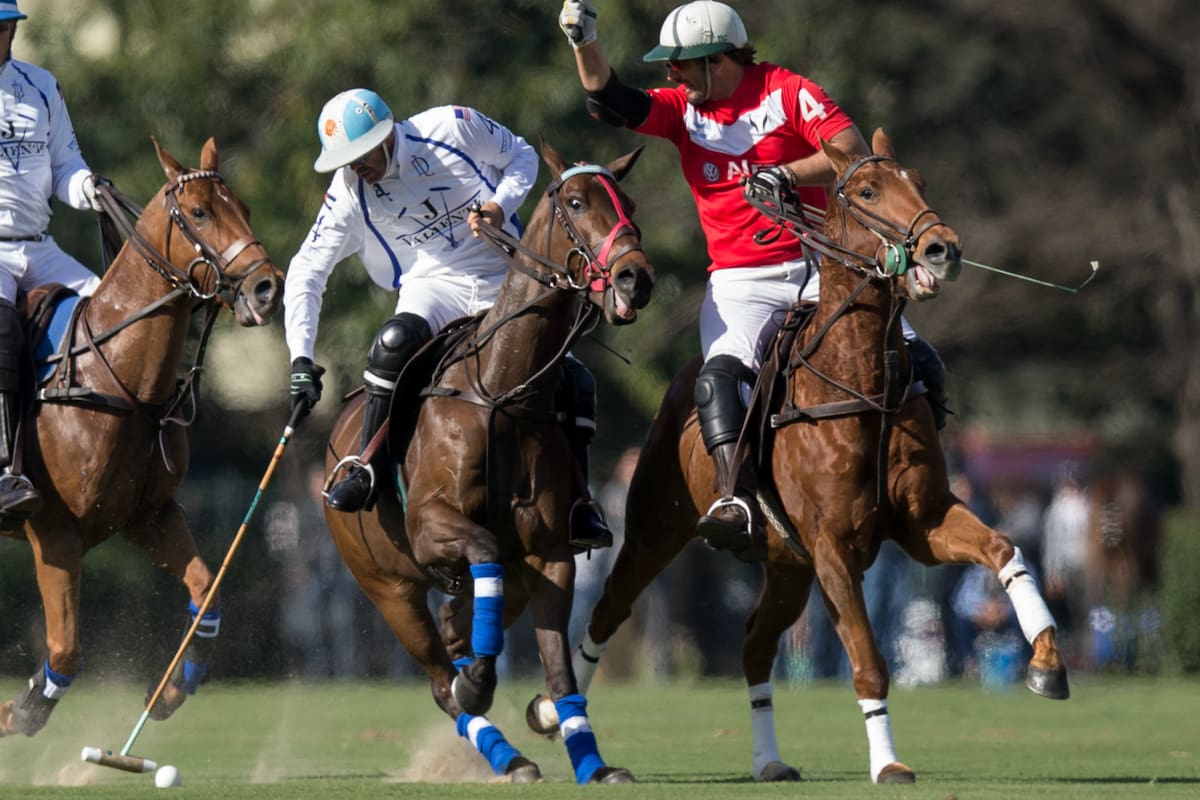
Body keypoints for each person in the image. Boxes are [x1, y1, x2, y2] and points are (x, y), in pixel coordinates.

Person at [557, 0, 948, 561]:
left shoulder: (786, 91)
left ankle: (924, 481)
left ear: (719, 60)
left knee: (922, 360)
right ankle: (735, 498)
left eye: (683, 64)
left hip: (818, 266)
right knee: (716, 378)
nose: (672, 74)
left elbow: (852, 152)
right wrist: (582, 41)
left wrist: (784, 173)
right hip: (740, 282)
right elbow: (609, 98)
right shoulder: (681, 109)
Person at [283, 88, 613, 549]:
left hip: (507, 273)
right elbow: (306, 270)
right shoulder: (347, 190)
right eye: (345, 160)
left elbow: (521, 156)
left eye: (361, 155)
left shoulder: (452, 127)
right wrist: (301, 356)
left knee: (577, 381)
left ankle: (579, 502)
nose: (355, 167)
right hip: (432, 282)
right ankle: (367, 465)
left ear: (386, 135)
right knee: (393, 345)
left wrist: (500, 206)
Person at [0, 0, 106, 520]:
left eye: (4, 26)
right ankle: (4, 469)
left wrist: (88, 187)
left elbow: (65, 163)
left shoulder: (41, 84)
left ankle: (139, 448)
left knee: (113, 312)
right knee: (0, 327)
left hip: (38, 244)